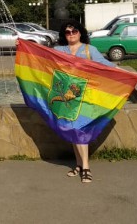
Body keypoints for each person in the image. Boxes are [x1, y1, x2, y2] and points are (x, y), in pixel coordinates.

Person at [52, 19, 117, 183]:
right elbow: (42, 57)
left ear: (80, 32)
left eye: (74, 31)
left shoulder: (90, 49)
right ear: (63, 35)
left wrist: (126, 72)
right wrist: (22, 45)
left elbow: (105, 64)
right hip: (68, 98)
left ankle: (86, 168)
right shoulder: (59, 50)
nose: (71, 34)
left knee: (79, 129)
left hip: (85, 96)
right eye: (68, 32)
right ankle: (79, 165)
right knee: (74, 130)